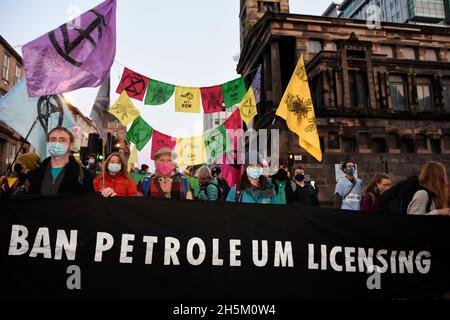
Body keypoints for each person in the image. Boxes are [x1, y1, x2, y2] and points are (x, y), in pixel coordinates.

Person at [27, 127, 93, 195]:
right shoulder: (35, 174)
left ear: (71, 145)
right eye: (53, 140)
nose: (57, 143)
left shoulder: (83, 175)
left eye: (62, 140)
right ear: (48, 144)